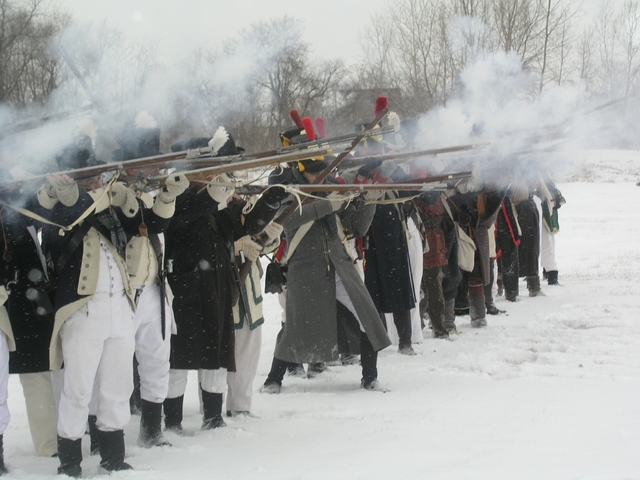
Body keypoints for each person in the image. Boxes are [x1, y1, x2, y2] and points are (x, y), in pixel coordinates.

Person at [162, 130, 288, 432]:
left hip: (217, 288)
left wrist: (274, 197)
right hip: (183, 289)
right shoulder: (175, 199)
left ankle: (213, 417)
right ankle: (173, 421)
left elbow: (246, 224)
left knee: (215, 357)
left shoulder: (217, 200)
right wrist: (219, 190)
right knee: (178, 361)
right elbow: (191, 212)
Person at [37, 134, 148, 475]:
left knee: (118, 387)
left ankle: (113, 456)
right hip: (83, 310)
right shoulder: (56, 210)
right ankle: (70, 459)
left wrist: (130, 196)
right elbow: (62, 230)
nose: (96, 182)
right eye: (88, 178)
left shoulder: (111, 207)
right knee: (79, 388)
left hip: (121, 308)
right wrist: (72, 196)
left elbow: (143, 224)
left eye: (97, 177)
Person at [261, 155, 391, 393]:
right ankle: (273, 379)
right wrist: (328, 204)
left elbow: (356, 227)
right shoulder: (289, 190)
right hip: (305, 269)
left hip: (340, 265)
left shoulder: (332, 188)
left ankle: (370, 377)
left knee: (367, 316)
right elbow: (288, 221)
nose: (320, 174)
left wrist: (371, 199)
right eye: (313, 171)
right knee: (294, 327)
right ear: (301, 171)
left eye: (322, 169)